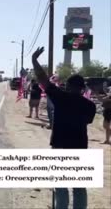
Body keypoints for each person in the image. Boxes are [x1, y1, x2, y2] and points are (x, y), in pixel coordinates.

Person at [32, 47, 96, 209]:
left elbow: (42, 79)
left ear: (67, 86)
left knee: (61, 186)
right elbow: (88, 122)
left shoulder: (60, 97)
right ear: (83, 88)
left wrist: (34, 60)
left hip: (60, 146)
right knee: (79, 187)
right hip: (80, 147)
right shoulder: (90, 105)